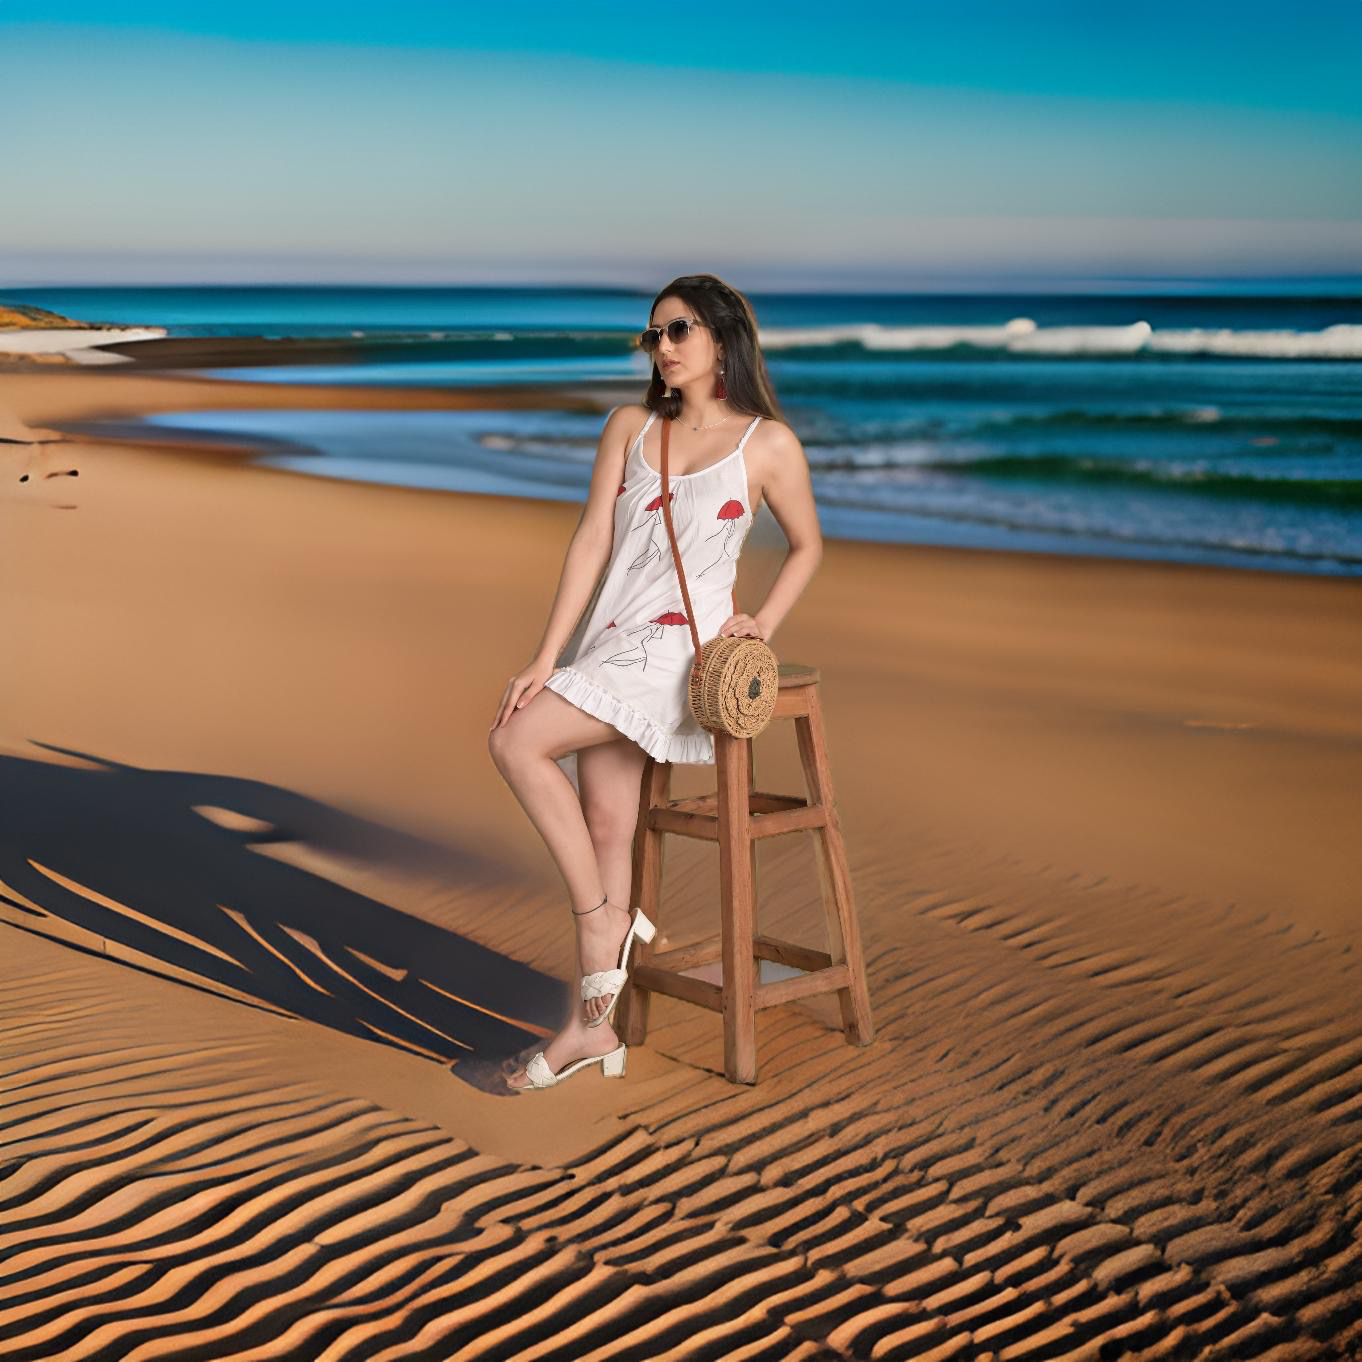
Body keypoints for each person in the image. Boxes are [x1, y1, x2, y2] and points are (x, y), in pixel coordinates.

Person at [488, 273, 823, 1091]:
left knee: (515, 742)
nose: (662, 347)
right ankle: (589, 1034)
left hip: (683, 655)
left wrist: (762, 624)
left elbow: (810, 546)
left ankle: (604, 921)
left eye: (677, 331)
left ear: (720, 336)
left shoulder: (766, 444)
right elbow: (589, 544)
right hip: (609, 643)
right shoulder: (630, 426)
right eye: (653, 335)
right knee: (607, 824)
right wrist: (547, 656)